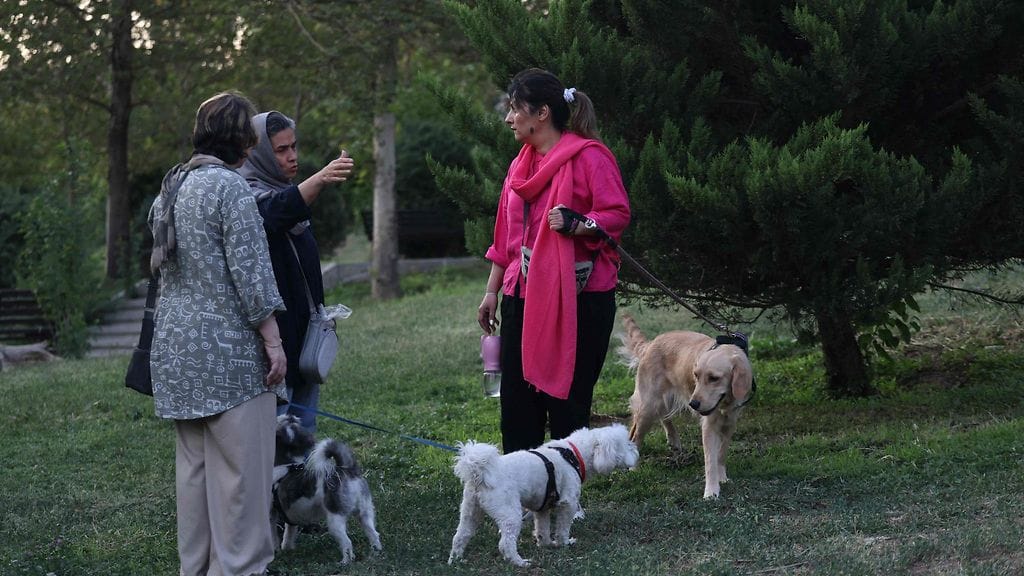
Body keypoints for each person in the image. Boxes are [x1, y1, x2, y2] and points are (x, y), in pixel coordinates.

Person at [148, 92, 287, 576]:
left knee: (195, 476)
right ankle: (242, 568)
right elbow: (252, 276)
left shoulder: (170, 187)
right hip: (229, 356)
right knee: (243, 480)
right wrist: (273, 342)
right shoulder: (231, 189)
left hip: (176, 353)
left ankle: (199, 569)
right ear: (245, 141)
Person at [477, 68, 631, 453]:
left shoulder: (590, 157)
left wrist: (578, 225)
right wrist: (491, 291)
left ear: (542, 113)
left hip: (580, 297)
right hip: (521, 293)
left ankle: (566, 500)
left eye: (515, 109)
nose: (509, 118)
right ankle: (522, 490)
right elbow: (505, 236)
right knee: (516, 403)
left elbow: (616, 214)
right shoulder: (520, 166)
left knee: (569, 402)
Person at [238, 111, 354, 433]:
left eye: (293, 147)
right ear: (259, 153)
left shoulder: (285, 191)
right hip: (274, 342)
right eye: (280, 150)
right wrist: (319, 179)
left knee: (304, 439)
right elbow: (276, 213)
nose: (292, 157)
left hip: (304, 337)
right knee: (278, 446)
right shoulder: (247, 197)